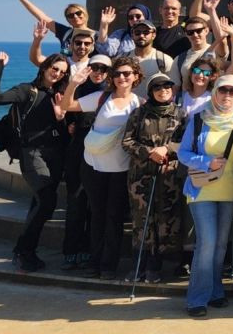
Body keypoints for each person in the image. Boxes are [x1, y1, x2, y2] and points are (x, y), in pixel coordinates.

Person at [59, 56, 142, 279]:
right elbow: (66, 105)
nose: (122, 77)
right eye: (117, 73)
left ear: (136, 76)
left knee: (113, 217)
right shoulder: (100, 97)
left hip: (121, 168)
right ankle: (94, 262)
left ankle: (108, 265)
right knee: (96, 215)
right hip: (93, 165)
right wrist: (74, 84)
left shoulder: (140, 103)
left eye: (127, 73)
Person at [0, 50, 68, 272]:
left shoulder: (61, 94)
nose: (58, 74)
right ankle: (24, 250)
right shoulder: (26, 91)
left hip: (57, 152)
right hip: (32, 153)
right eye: (55, 69)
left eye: (62, 72)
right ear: (44, 68)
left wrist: (61, 116)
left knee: (40, 202)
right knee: (47, 201)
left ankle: (25, 250)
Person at [177, 73, 233, 317]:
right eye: (223, 90)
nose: (227, 95)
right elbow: (183, 153)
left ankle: (215, 291)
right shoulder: (198, 119)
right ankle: (197, 298)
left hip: (229, 191)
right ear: (215, 91)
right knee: (206, 244)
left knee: (219, 246)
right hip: (202, 189)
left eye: (232, 91)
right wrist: (206, 162)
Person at [120, 72, 184, 284]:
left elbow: (185, 142)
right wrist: (149, 152)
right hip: (141, 177)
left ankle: (156, 266)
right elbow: (127, 142)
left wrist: (166, 149)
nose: (163, 90)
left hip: (168, 178)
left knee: (164, 221)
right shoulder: (139, 114)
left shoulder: (181, 114)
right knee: (142, 221)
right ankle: (139, 265)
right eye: (158, 87)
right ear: (150, 91)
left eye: (167, 87)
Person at [61, 53, 109, 271]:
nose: (98, 72)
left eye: (104, 69)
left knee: (96, 205)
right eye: (94, 67)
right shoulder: (79, 90)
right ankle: (72, 251)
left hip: (103, 152)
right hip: (78, 150)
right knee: (76, 202)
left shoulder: (112, 94)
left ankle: (90, 249)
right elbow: (66, 111)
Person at [16, 0, 88, 50]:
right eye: (70, 15)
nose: (75, 17)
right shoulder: (65, 32)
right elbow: (43, 17)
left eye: (78, 13)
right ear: (67, 20)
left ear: (85, 14)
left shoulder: (96, 36)